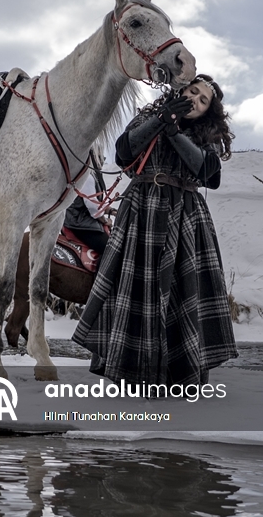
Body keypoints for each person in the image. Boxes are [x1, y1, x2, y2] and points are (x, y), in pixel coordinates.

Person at [72, 74, 237, 385]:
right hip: (141, 210)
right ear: (181, 90)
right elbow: (123, 153)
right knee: (133, 289)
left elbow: (207, 172)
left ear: (208, 112)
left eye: (203, 101)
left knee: (183, 290)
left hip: (185, 215)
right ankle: (131, 371)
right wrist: (161, 120)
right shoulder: (149, 116)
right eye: (193, 92)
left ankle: (181, 373)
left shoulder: (208, 134)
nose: (195, 100)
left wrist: (173, 131)